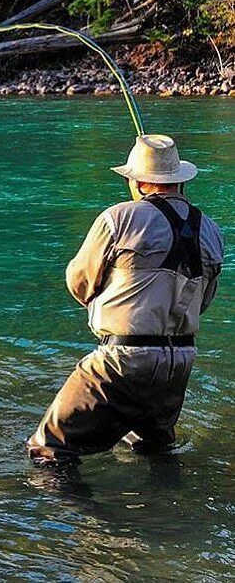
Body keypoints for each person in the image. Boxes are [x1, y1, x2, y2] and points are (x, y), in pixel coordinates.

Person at [28, 134, 224, 467]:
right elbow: (203, 301)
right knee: (153, 449)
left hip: (123, 359)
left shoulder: (117, 218)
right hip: (180, 362)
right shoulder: (212, 230)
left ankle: (89, 518)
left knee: (49, 449)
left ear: (137, 182)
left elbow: (79, 281)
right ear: (179, 181)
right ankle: (170, 511)